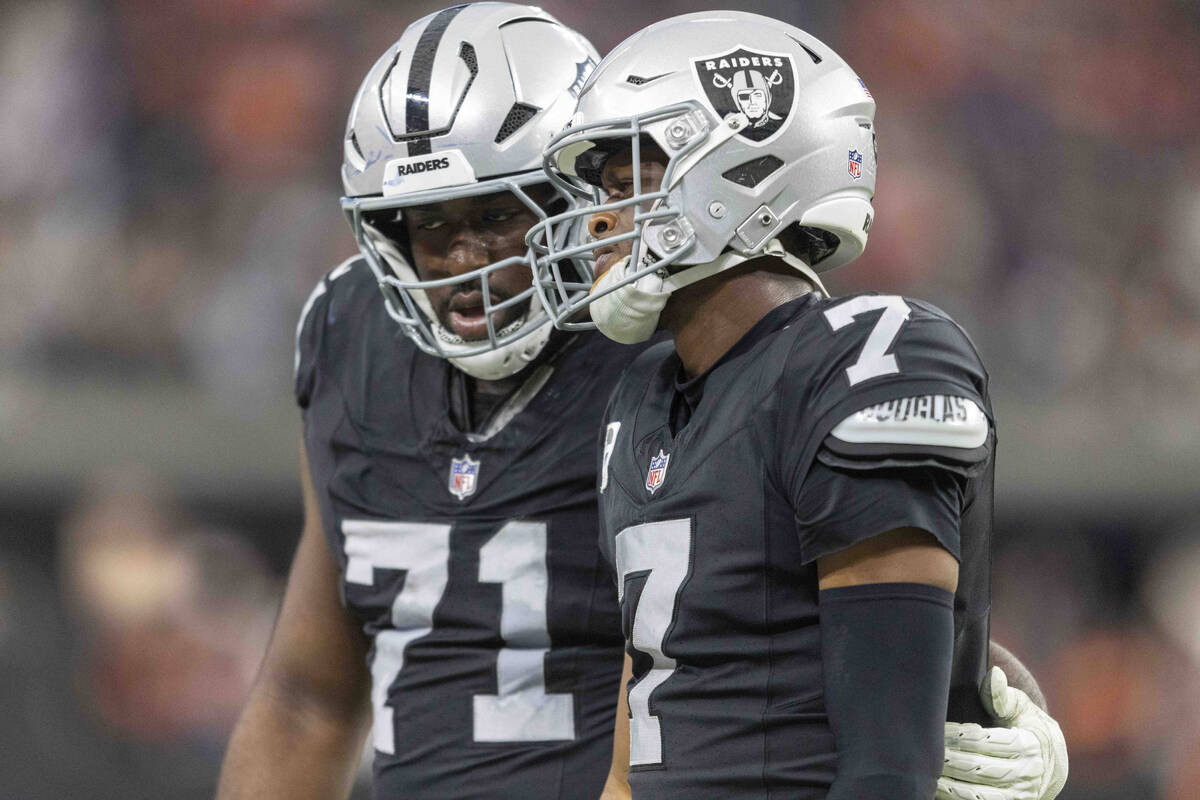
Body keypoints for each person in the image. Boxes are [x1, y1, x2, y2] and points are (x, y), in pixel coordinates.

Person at [218, 4, 1063, 800]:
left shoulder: (675, 344)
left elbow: (848, 616)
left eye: (500, 214)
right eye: (428, 226)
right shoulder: (349, 333)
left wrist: (1001, 703)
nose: (465, 260)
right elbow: (307, 690)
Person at [529, 9, 1067, 800]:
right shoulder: (642, 397)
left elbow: (886, 765)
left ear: (741, 170)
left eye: (625, 182)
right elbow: (638, 745)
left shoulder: (871, 356)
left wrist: (980, 688)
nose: (600, 218)